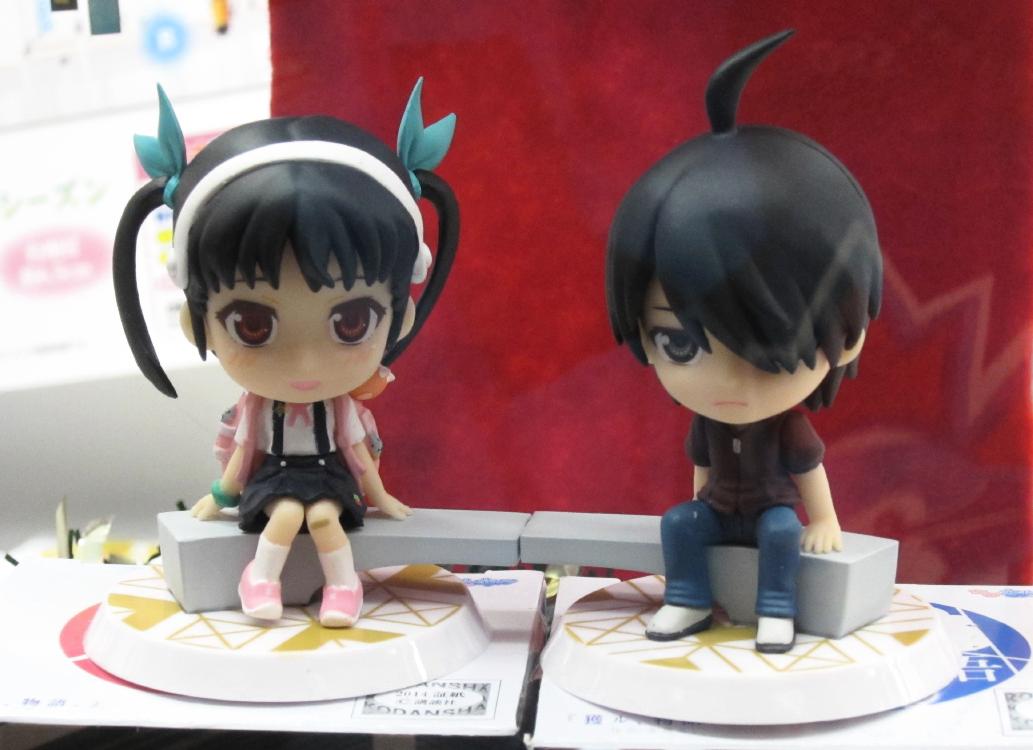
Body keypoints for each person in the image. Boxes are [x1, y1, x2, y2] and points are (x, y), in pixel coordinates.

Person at [113, 79, 458, 627]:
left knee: (322, 517)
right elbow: (243, 453)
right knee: (287, 513)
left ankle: (342, 587)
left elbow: (357, 454)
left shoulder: (338, 410)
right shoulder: (259, 410)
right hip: (274, 478)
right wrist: (219, 495)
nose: (305, 365)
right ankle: (262, 578)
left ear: (401, 316)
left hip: (329, 477)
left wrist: (380, 496)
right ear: (196, 323)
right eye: (253, 325)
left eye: (350, 323)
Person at [604, 30, 882, 652]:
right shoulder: (706, 423)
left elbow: (809, 473)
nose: (727, 383)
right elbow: (700, 470)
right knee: (679, 522)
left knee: (783, 534)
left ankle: (777, 610)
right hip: (719, 513)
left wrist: (826, 520)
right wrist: (698, 508)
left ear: (848, 338)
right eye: (679, 343)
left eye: (766, 349)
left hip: (771, 515)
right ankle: (687, 599)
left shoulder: (788, 428)